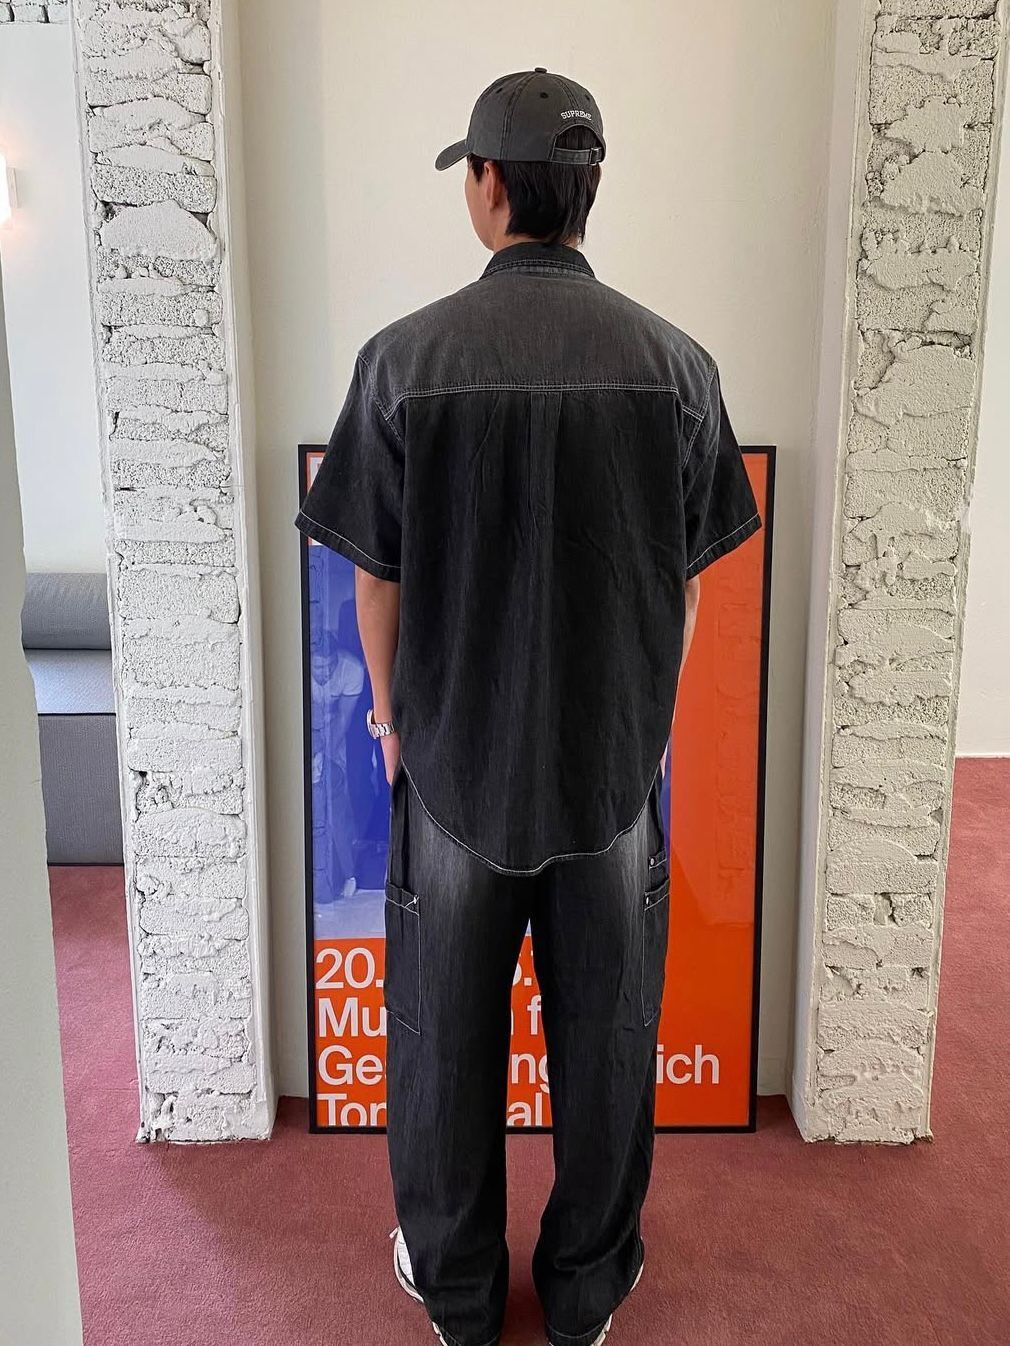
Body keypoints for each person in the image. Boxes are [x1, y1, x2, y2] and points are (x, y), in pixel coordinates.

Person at [295, 67, 760, 1346]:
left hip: (452, 766)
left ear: (490, 184)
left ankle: (455, 1288)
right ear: (587, 188)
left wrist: (391, 722)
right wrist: (644, 719)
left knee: (441, 1039)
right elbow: (684, 583)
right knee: (605, 1043)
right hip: (609, 769)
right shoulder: (676, 365)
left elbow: (374, 579)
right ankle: (584, 1287)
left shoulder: (403, 359)